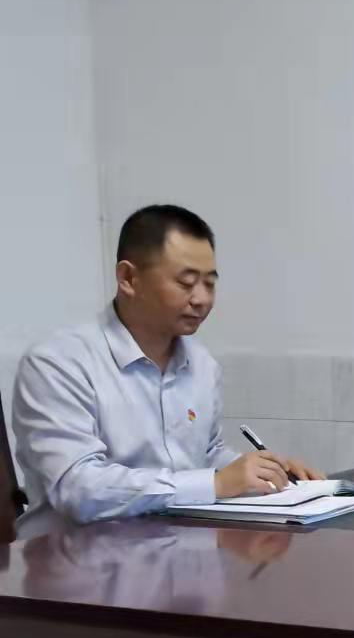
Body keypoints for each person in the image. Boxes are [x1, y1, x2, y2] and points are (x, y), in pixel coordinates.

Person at [12, 204, 323, 526]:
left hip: (170, 544)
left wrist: (264, 471)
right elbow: (77, 489)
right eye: (186, 283)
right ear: (128, 278)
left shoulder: (201, 364)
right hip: (72, 552)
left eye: (210, 284)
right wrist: (215, 483)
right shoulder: (58, 364)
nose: (202, 299)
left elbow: (204, 454)